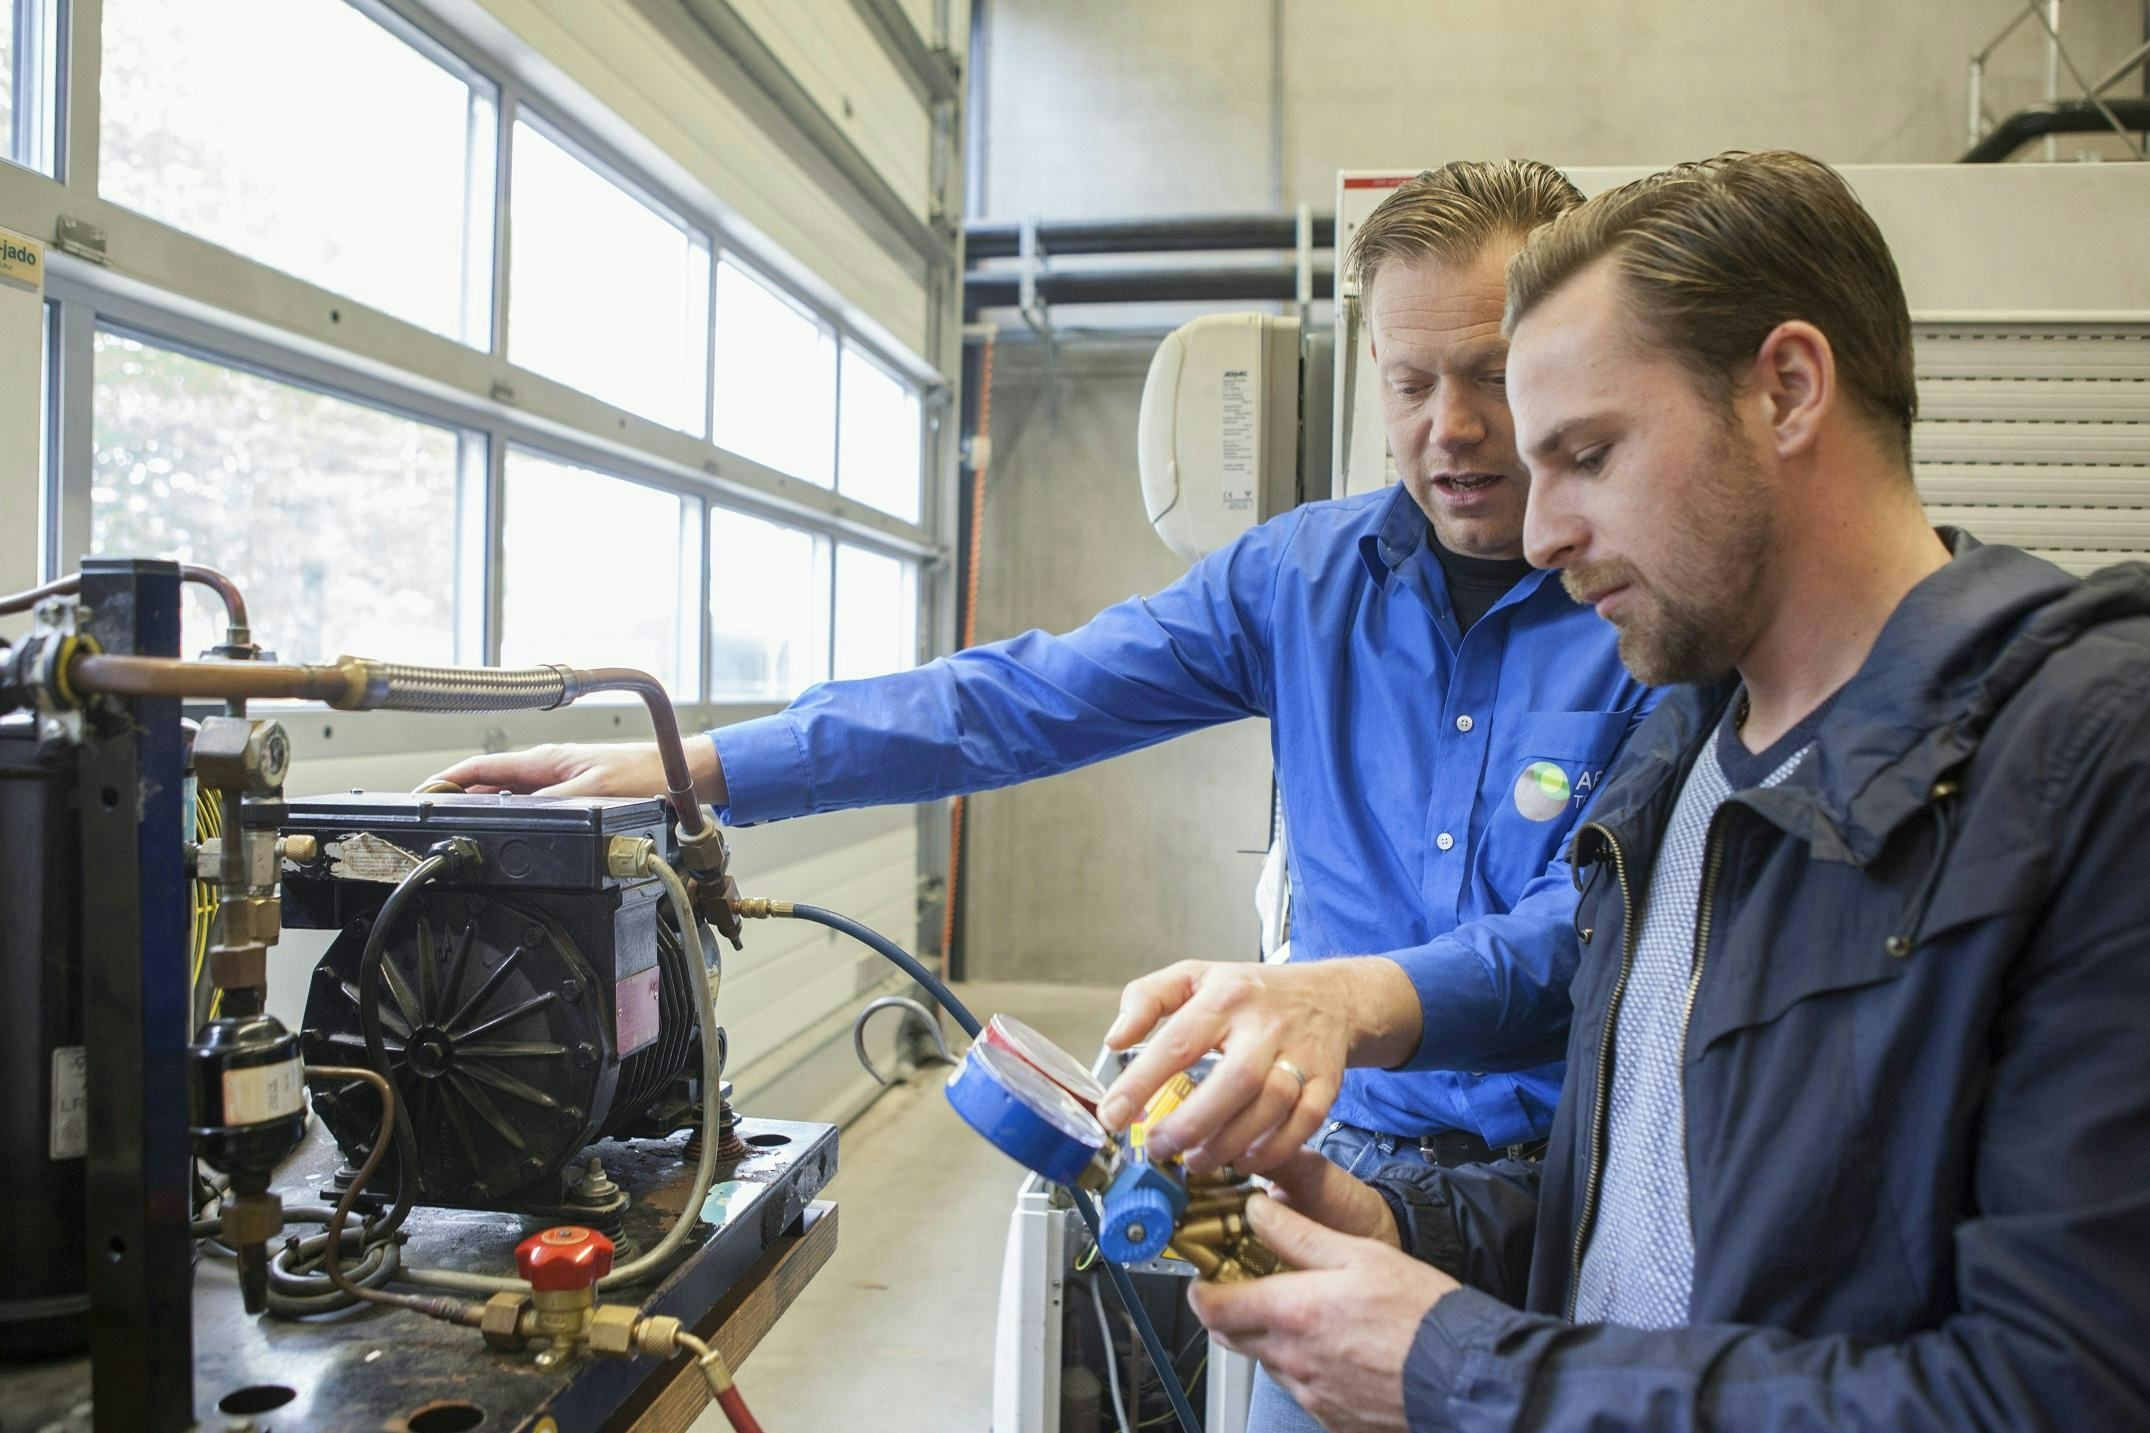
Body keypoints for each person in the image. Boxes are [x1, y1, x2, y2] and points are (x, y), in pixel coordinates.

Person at [1182, 149, 2150, 1432]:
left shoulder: (2088, 763)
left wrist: (1466, 1371)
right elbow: (1652, 1227)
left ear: (1786, 390)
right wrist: (1407, 1227)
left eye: (1586, 453)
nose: (1539, 535)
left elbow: (2054, 1391)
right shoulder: (1680, 761)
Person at [435, 169, 1646, 1175]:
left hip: (1569, 1179)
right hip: (1333, 1152)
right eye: (1411, 381)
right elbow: (1013, 699)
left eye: (1490, 372)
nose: (1453, 426)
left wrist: (1344, 997)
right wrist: (688, 767)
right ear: (1373, 368)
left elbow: (1593, 929)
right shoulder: (1299, 579)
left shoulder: (1650, 605)